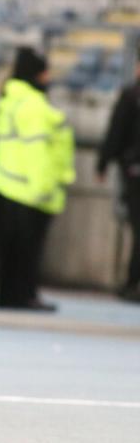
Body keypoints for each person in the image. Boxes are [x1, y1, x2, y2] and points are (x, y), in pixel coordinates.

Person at [0, 47, 75, 311]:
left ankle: (7, 295)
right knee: (28, 250)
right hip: (31, 187)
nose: (48, 77)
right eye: (45, 72)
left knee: (11, 249)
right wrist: (43, 188)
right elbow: (38, 152)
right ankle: (25, 295)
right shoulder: (34, 105)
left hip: (7, 182)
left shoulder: (9, 100)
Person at [96, 59, 140, 303]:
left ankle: (132, 282)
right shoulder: (132, 96)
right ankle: (132, 282)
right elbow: (117, 131)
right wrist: (103, 162)